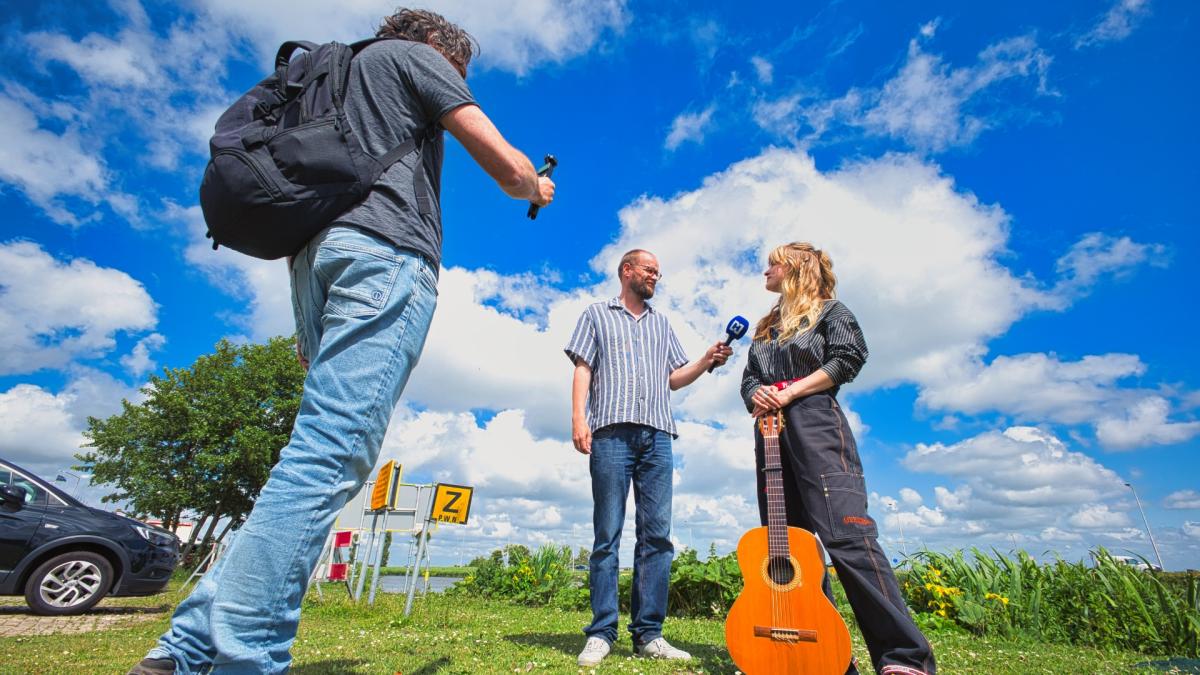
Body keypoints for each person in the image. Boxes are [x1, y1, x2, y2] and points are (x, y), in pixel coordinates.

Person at [129, 9, 554, 674]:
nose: (456, 78)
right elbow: (503, 165)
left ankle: (183, 650)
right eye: (459, 69)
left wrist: (308, 322)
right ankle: (247, 657)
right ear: (440, 49)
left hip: (314, 264)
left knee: (304, 463)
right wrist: (536, 184)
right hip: (384, 255)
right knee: (329, 459)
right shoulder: (414, 59)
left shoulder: (338, 69)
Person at [740, 242, 935, 675]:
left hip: (816, 422)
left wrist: (790, 391)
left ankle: (903, 658)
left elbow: (848, 357)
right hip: (769, 434)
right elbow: (749, 377)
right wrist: (758, 393)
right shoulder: (766, 326)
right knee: (792, 550)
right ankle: (822, 653)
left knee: (848, 536)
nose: (765, 271)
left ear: (794, 268)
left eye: (772, 264)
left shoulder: (831, 312)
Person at [564, 249, 732, 667]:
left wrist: (706, 361)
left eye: (659, 271)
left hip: (658, 435)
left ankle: (649, 634)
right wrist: (577, 418)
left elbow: (674, 378)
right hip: (610, 433)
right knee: (607, 534)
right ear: (627, 271)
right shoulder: (596, 314)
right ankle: (602, 632)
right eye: (649, 269)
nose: (656, 275)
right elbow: (583, 368)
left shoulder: (662, 323)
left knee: (657, 536)